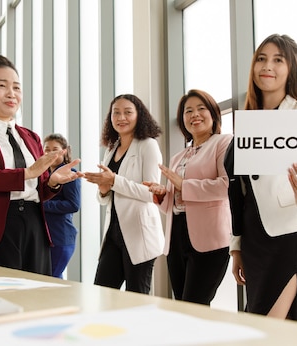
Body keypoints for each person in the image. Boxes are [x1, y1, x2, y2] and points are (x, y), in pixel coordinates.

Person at [0, 54, 83, 275]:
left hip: (34, 226)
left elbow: (36, 188)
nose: (12, 93)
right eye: (2, 85)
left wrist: (53, 184)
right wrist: (26, 173)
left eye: (17, 88)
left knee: (34, 299)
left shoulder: (31, 137)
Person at [224, 34, 297, 321]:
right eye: (261, 59)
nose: (267, 66)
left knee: (263, 325)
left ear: (290, 69)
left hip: (290, 232)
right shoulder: (246, 122)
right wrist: (236, 246)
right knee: (279, 328)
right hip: (253, 236)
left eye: (278, 60)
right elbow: (239, 194)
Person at [145, 89, 233, 305]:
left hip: (209, 237)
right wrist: (161, 195)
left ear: (213, 114)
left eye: (201, 109)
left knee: (195, 304)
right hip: (176, 236)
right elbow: (173, 205)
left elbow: (226, 186)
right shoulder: (178, 156)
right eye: (188, 111)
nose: (195, 115)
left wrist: (184, 185)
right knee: (183, 305)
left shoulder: (224, 143)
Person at [84, 94, 164, 294]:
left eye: (128, 112)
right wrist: (103, 190)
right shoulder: (111, 148)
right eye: (116, 113)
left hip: (139, 233)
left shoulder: (148, 145)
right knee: (102, 294)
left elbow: (150, 193)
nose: (121, 117)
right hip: (113, 232)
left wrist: (113, 181)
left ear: (139, 115)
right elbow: (107, 197)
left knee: (137, 297)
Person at [42, 133, 81, 279]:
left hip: (61, 237)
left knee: (53, 277)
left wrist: (42, 204)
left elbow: (73, 205)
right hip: (45, 237)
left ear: (64, 151)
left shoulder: (70, 174)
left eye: (55, 149)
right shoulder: (43, 173)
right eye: (47, 149)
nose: (50, 152)